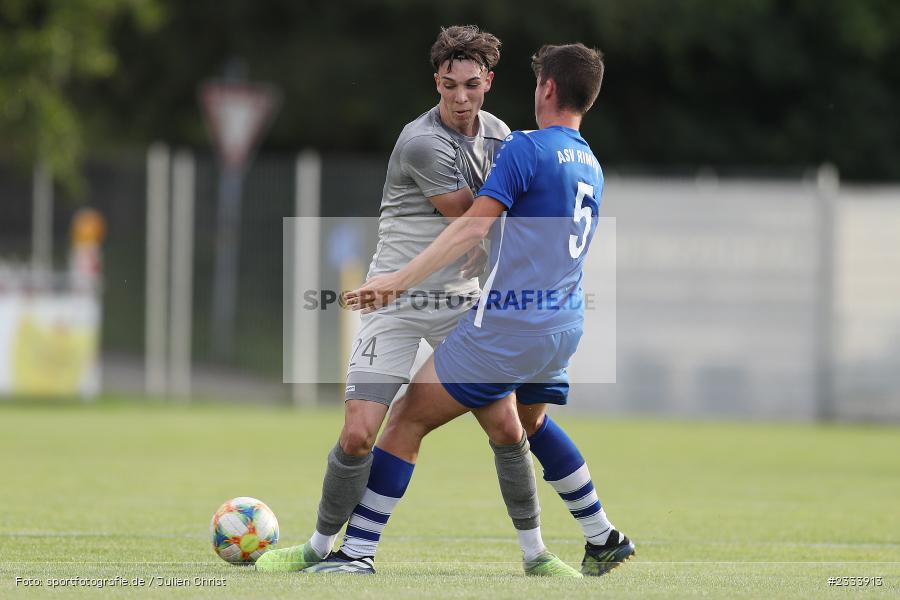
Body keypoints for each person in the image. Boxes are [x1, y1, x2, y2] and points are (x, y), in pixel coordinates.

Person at [330, 42, 635, 577]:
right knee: (530, 423)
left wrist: (396, 281)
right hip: (564, 324)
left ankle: (354, 555)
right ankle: (602, 534)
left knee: (404, 420)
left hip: (508, 326)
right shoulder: (591, 163)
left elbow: (471, 226)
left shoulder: (523, 148)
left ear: (547, 89)